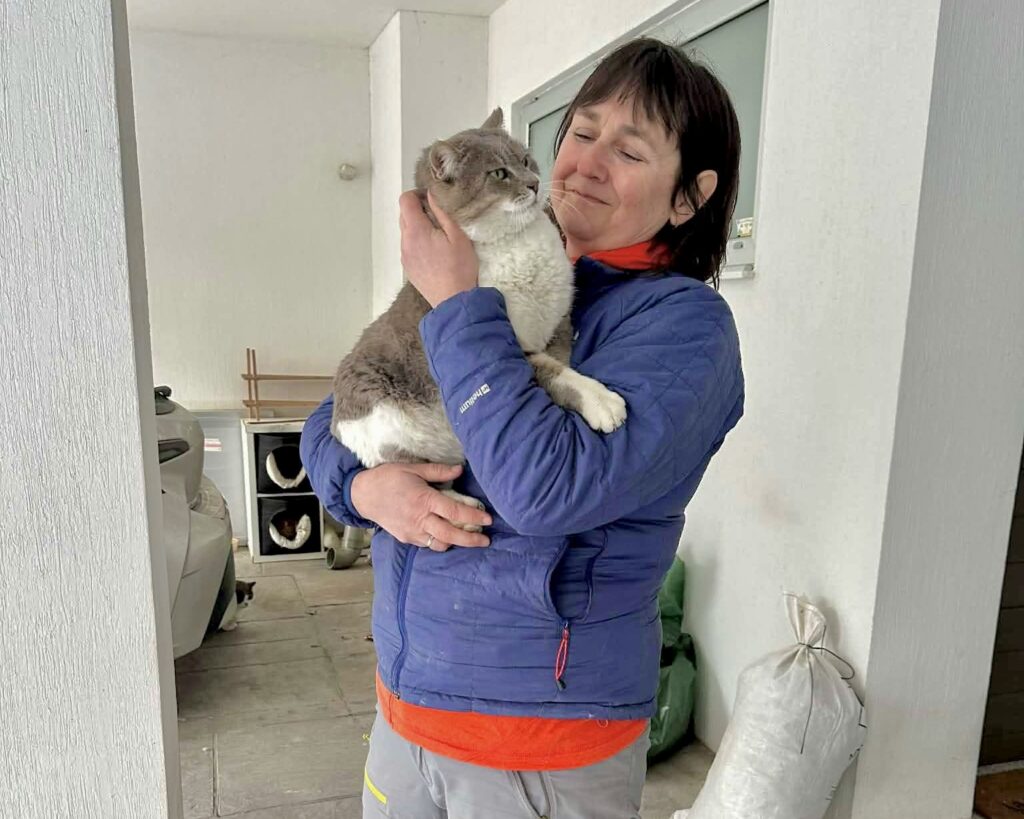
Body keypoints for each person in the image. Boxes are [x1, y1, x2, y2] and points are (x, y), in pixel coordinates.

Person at [300, 37, 745, 819]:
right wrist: (365, 490)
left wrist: (459, 306)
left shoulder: (685, 328)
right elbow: (334, 412)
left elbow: (545, 490)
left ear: (689, 196)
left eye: (629, 149)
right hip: (407, 709)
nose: (586, 164)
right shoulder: (504, 262)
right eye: (582, 131)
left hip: (542, 744)